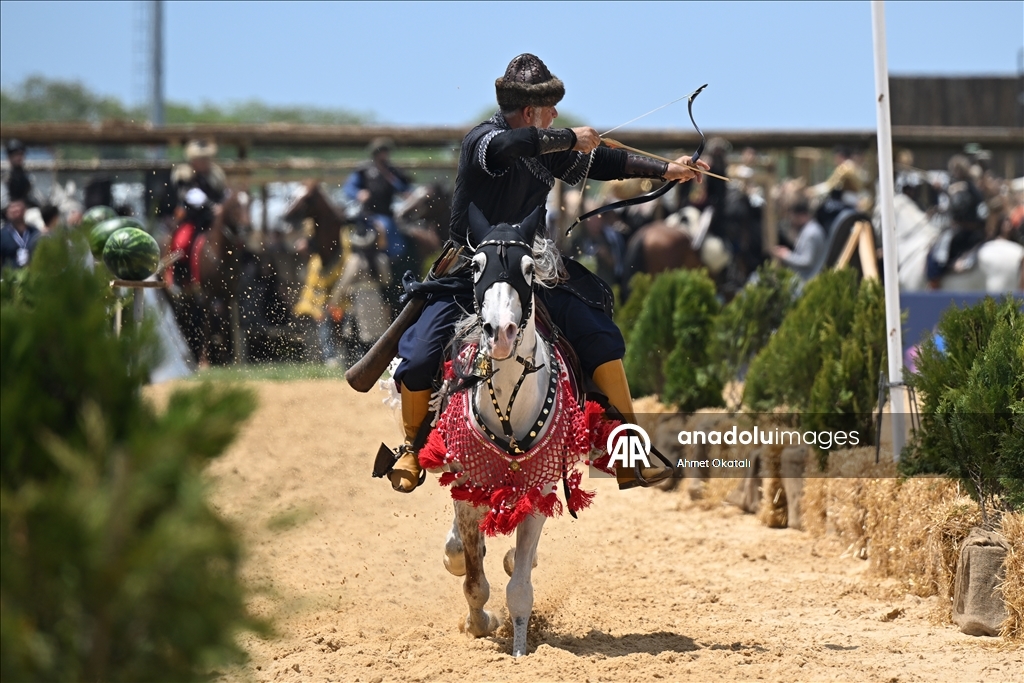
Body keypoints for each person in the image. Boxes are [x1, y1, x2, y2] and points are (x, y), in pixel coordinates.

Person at [386, 53, 708, 493]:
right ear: (529, 111)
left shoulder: (545, 147)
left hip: (528, 269)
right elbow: (510, 147)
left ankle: (630, 447)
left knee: (598, 335)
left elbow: (603, 164)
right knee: (422, 353)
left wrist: (668, 169)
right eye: (549, 108)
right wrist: (567, 137)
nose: (556, 114)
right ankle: (410, 446)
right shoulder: (486, 140)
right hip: (470, 271)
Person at [343, 138, 414, 308]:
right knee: (384, 227)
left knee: (403, 234)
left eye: (386, 151)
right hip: (370, 216)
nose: (384, 154)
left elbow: (405, 188)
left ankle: (397, 265)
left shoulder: (392, 172)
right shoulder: (363, 171)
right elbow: (348, 188)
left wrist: (410, 194)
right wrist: (358, 193)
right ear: (375, 154)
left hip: (389, 213)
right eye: (381, 151)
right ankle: (382, 261)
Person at [772, 200, 826, 281]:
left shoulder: (811, 233)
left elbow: (806, 262)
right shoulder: (810, 229)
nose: (792, 221)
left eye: (793, 217)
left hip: (808, 280)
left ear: (801, 216)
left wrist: (786, 255)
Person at [0, 199, 42, 269]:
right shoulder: (2, 234)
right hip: (10, 277)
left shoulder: (34, 232)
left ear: (25, 210)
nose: (16, 210)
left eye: (18, 207)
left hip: (33, 276)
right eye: (12, 207)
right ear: (7, 213)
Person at [2, 139, 38, 213]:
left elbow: (33, 196)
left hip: (25, 211)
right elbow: (3, 200)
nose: (19, 158)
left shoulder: (28, 176)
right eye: (15, 155)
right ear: (9, 158)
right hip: (7, 213)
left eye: (20, 154)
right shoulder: (5, 177)